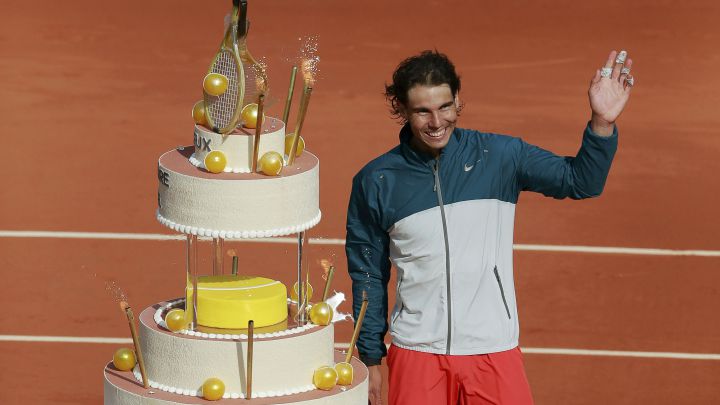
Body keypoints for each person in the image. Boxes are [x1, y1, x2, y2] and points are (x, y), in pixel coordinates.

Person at [345, 49, 633, 405]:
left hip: (493, 349)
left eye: (445, 107)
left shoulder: (499, 156)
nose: (436, 122)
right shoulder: (377, 180)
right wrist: (371, 355)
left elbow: (580, 181)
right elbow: (368, 272)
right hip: (417, 352)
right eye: (423, 111)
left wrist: (601, 123)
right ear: (402, 110)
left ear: (458, 102)